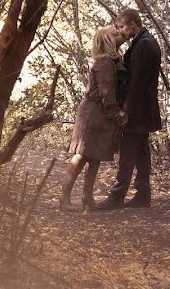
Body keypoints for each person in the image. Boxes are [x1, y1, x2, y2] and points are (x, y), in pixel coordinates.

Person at [95, 9, 162, 210]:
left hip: (138, 109)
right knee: (141, 152)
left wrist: (126, 109)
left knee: (128, 151)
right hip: (143, 108)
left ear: (133, 24)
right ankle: (143, 195)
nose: (121, 31)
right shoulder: (143, 41)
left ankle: (117, 196)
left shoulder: (144, 44)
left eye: (122, 27)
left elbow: (138, 83)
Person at [59, 25, 127, 212]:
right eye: (116, 33)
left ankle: (87, 198)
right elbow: (106, 93)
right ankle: (64, 198)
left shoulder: (111, 59)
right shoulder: (105, 62)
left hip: (100, 112)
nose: (121, 34)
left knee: (95, 156)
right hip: (94, 113)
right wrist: (116, 114)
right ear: (108, 41)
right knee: (81, 155)